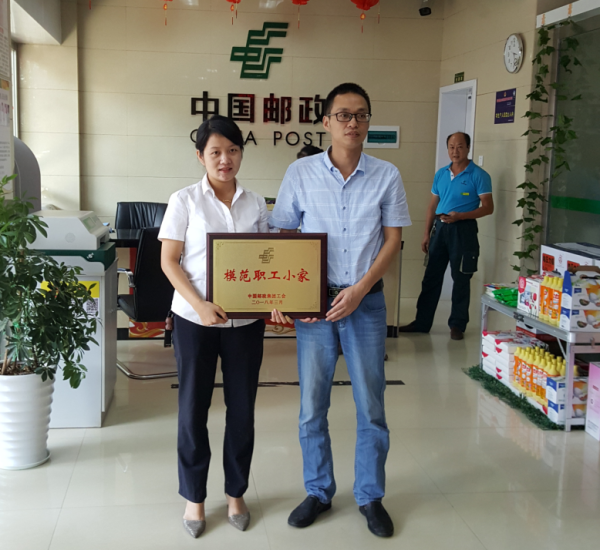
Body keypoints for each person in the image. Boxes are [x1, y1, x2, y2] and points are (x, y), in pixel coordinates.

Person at [270, 82, 411, 538]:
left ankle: (370, 496)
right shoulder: (301, 173)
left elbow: (393, 240)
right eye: (344, 115)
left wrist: (359, 289)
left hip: (365, 303)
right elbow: (284, 236)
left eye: (361, 114)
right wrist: (294, 297)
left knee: (371, 405)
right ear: (326, 121)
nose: (353, 123)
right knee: (312, 405)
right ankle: (318, 491)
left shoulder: (387, 175)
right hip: (315, 307)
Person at [159, 115, 269, 538]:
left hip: (245, 323)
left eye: (233, 150)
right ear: (200, 156)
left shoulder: (256, 203)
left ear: (241, 153)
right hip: (194, 321)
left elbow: (267, 260)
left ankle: (236, 492)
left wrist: (276, 302)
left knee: (242, 410)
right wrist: (199, 305)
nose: (226, 159)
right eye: (216, 152)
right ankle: (195, 497)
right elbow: (169, 262)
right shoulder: (184, 200)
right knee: (193, 410)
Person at [399, 132, 493, 340]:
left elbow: (488, 207)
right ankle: (422, 322)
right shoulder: (441, 174)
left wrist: (461, 216)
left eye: (459, 146)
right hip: (439, 229)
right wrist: (426, 233)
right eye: (451, 147)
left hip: (464, 229)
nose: (455, 151)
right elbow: (432, 206)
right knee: (431, 277)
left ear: (468, 148)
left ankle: (457, 325)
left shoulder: (479, 175)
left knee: (461, 278)